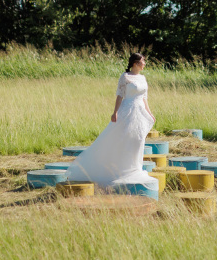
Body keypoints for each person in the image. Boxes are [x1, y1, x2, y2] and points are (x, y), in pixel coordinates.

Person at [66, 53, 158, 190]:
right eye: (142, 61)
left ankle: (135, 168)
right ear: (135, 63)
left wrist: (150, 113)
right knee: (125, 138)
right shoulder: (125, 77)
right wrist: (115, 112)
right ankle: (120, 167)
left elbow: (144, 98)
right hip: (127, 111)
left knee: (138, 139)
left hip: (140, 112)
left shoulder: (143, 78)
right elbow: (120, 96)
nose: (144, 63)